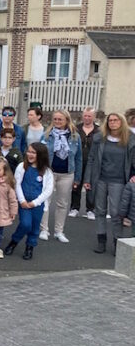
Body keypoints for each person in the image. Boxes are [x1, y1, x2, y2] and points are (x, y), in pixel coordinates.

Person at [84, 113, 135, 255]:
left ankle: (117, 241)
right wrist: (87, 179)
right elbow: (92, 159)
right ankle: (101, 241)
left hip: (118, 181)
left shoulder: (130, 139)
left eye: (115, 120)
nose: (112, 123)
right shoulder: (100, 138)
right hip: (100, 179)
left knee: (116, 213)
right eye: (110, 120)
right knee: (99, 211)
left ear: (121, 122)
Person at [4, 143, 54, 260]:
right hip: (24, 203)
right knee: (25, 224)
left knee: (35, 227)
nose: (30, 155)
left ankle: (30, 247)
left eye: (33, 153)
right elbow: (17, 184)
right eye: (29, 152)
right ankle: (14, 241)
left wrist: (35, 203)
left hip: (37, 204)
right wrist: (22, 201)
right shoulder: (22, 166)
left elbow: (48, 190)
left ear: (40, 155)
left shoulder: (47, 171)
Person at [42, 110, 82, 243]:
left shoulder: (75, 137)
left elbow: (79, 158)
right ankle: (44, 229)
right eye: (55, 119)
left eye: (60, 119)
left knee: (63, 203)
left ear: (67, 120)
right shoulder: (47, 135)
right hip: (50, 172)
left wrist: (77, 178)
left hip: (67, 173)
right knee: (46, 200)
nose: (57, 122)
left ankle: (59, 231)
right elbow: (40, 154)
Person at [70, 107, 99, 220]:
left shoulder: (99, 130)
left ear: (94, 117)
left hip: (92, 162)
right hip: (78, 161)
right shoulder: (76, 129)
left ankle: (90, 209)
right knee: (76, 184)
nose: (87, 118)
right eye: (85, 116)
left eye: (89, 116)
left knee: (90, 185)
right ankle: (74, 208)